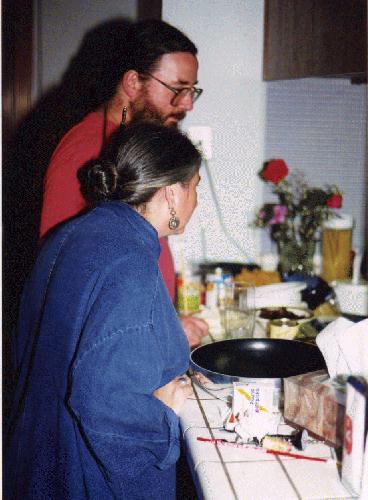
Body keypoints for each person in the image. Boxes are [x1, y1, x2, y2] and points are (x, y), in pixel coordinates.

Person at [5, 121, 202, 499]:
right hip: (84, 477)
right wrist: (160, 413)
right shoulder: (131, 263)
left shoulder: (73, 234)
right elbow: (105, 404)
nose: (196, 201)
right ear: (173, 194)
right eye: (195, 188)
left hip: (38, 462)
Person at [40, 18, 208, 347]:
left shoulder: (134, 145)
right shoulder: (86, 149)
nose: (187, 103)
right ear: (132, 82)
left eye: (192, 91)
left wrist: (164, 320)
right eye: (178, 89)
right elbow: (63, 274)